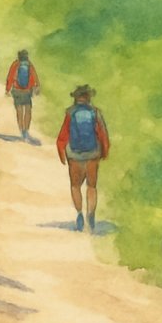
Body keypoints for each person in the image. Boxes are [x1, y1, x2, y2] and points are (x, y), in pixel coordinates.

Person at [56, 85, 110, 232]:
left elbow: (63, 135)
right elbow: (103, 134)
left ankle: (79, 214)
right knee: (92, 187)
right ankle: (91, 214)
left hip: (74, 155)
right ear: (88, 97)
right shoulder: (96, 112)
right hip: (92, 155)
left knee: (75, 186)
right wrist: (104, 152)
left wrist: (62, 153)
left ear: (75, 98)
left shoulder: (70, 112)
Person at [4, 50, 41, 141]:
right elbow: (35, 76)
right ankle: (26, 130)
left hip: (16, 90)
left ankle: (21, 131)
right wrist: (37, 86)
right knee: (28, 110)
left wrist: (7, 89)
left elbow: (10, 77)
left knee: (19, 111)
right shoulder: (29, 65)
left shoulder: (15, 64)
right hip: (27, 91)